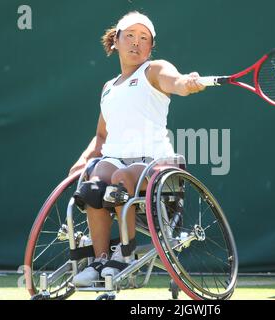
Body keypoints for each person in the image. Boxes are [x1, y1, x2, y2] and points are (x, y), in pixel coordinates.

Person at [68, 11, 205, 287]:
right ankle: (100, 260)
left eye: (144, 38)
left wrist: (186, 83)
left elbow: (175, 81)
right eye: (129, 36)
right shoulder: (109, 88)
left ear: (151, 47)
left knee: (120, 180)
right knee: (92, 188)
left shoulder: (154, 70)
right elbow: (100, 136)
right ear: (115, 41)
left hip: (155, 165)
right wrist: (82, 161)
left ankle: (125, 257)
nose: (136, 42)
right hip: (114, 160)